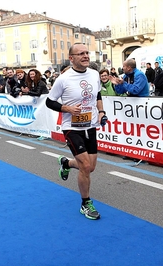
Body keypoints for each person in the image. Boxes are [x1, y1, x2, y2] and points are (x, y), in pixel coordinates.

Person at [46, 43, 106, 220]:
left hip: (90, 126)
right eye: (81, 54)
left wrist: (101, 112)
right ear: (71, 58)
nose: (86, 56)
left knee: (90, 167)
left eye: (87, 53)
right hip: (71, 128)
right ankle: (85, 203)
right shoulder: (64, 79)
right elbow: (50, 102)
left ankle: (66, 163)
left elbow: (98, 96)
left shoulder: (94, 74)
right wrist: (67, 108)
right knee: (85, 166)